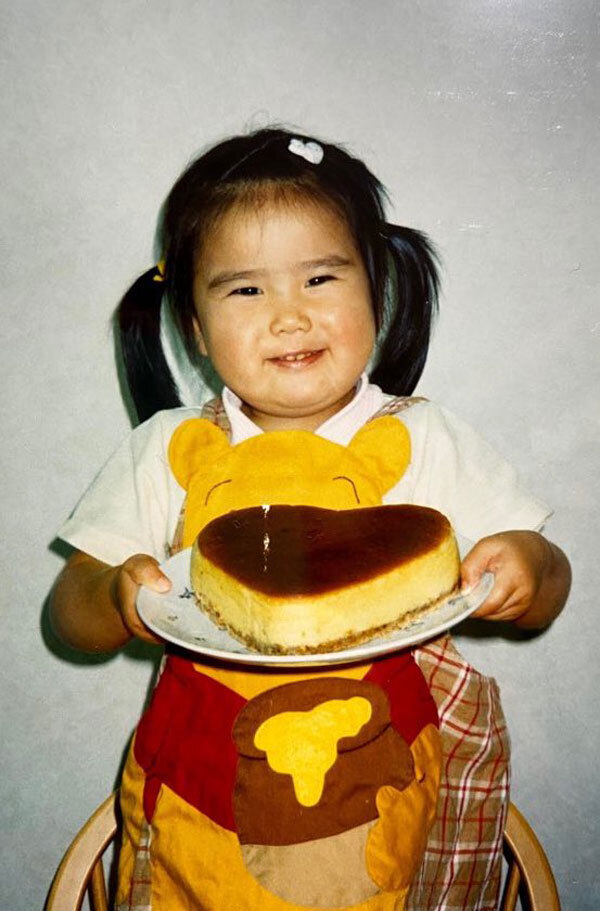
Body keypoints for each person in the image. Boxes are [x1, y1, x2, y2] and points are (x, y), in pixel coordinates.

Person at [51, 127, 571, 911]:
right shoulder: (168, 448)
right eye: (246, 289)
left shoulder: (424, 438)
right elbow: (68, 614)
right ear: (193, 326)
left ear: (377, 288)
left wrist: (529, 567)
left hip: (384, 790)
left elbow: (550, 585)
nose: (289, 316)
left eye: (321, 277)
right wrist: (116, 595)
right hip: (199, 799)